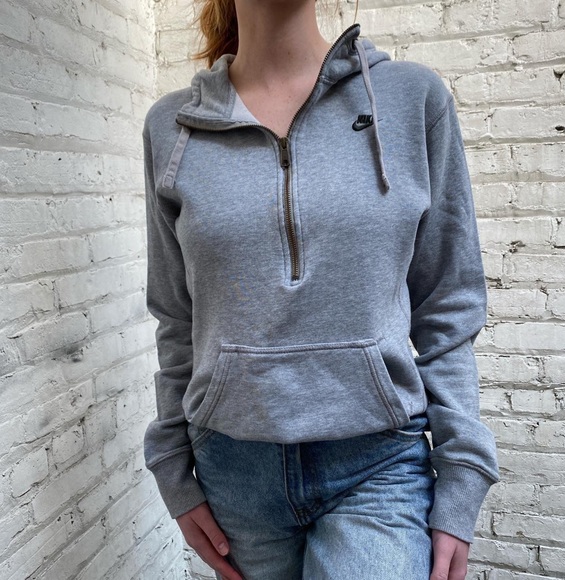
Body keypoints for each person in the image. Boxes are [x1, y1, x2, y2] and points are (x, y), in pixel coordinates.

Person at [142, 0, 500, 578]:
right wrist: (171, 466)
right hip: (233, 468)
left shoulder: (412, 99)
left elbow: (449, 304)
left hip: (377, 463)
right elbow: (176, 316)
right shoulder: (172, 127)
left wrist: (463, 471)